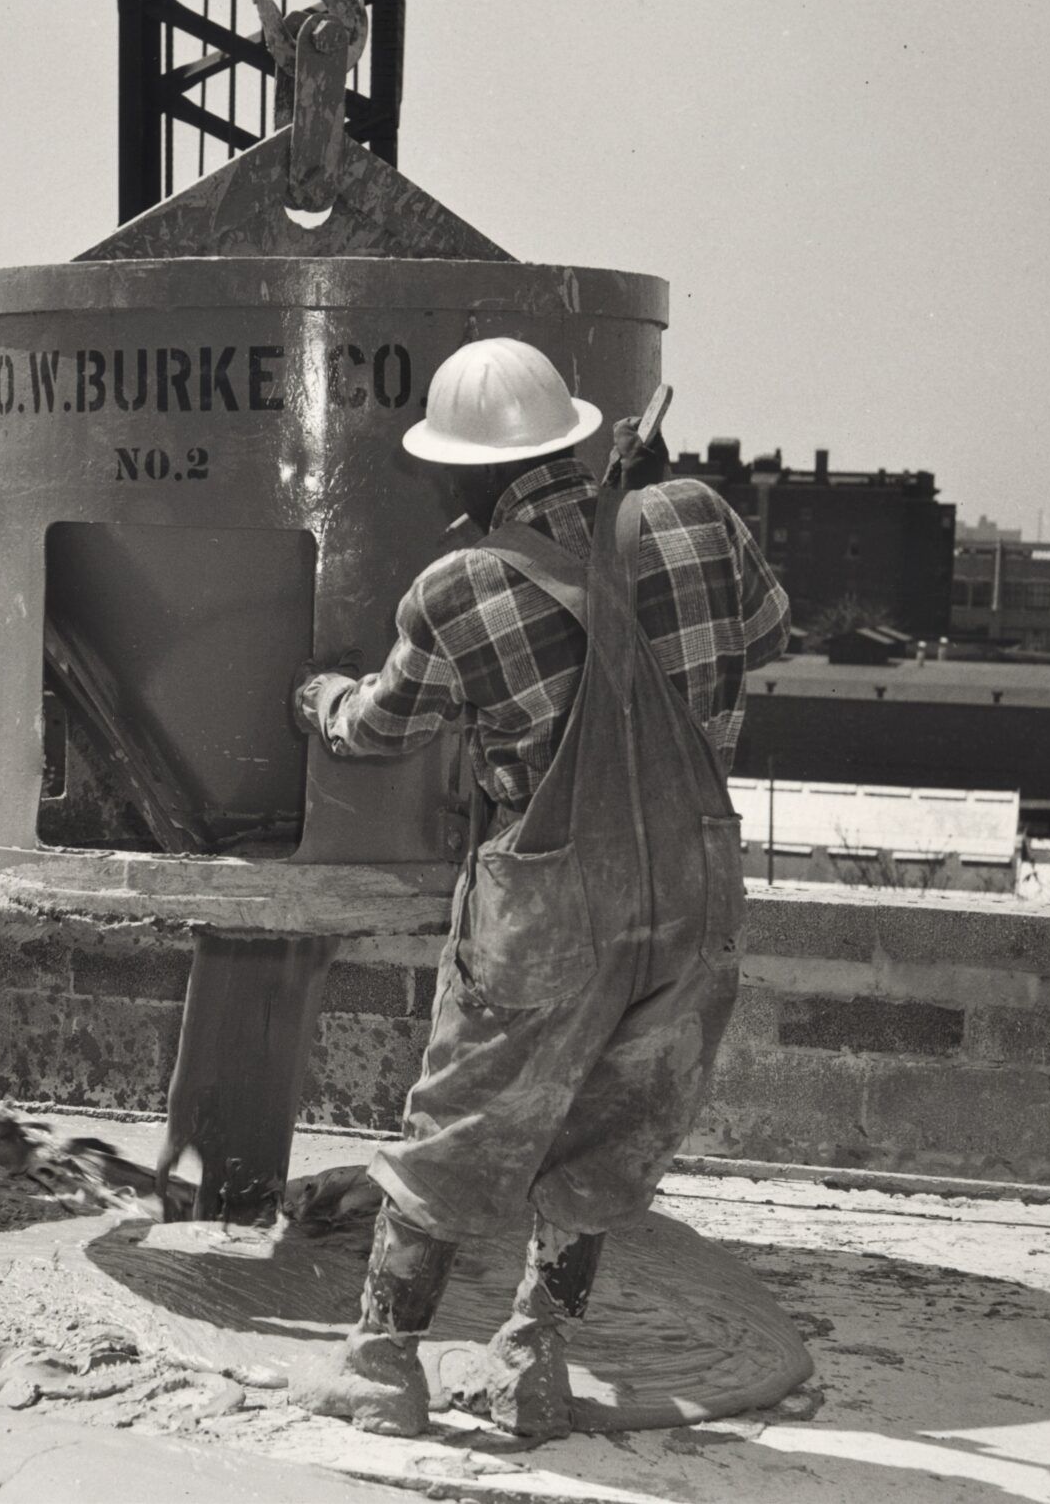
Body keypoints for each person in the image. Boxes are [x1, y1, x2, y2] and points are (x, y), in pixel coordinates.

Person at [289, 339, 790, 1441]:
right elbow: (769, 632)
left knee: (458, 1128)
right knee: (610, 1138)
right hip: (695, 896)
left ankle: (380, 1362)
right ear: (573, 435)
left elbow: (385, 729)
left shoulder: (459, 588)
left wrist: (321, 697)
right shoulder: (699, 513)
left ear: (471, 473)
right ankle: (531, 1360)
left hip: (551, 908)